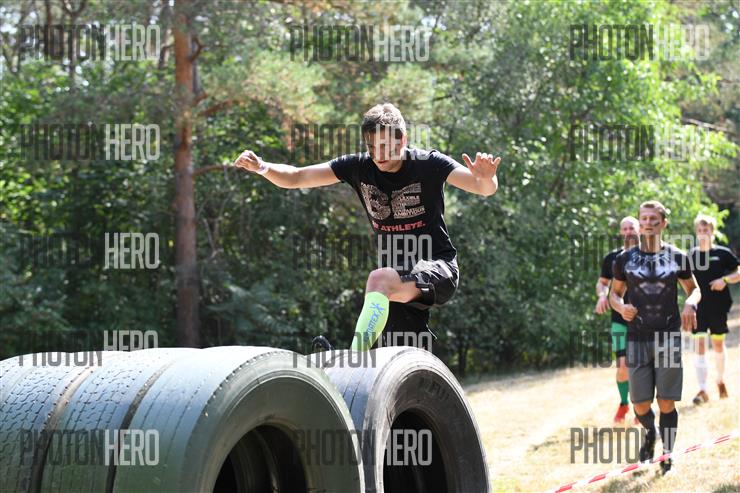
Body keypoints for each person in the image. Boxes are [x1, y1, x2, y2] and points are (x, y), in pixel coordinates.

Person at [233, 103, 501, 350]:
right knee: (398, 353)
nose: (378, 155)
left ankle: (354, 357)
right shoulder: (358, 167)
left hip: (438, 269)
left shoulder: (429, 163)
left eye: (385, 146)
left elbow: (482, 188)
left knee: (378, 280)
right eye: (372, 147)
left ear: (402, 140)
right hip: (396, 284)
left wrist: (486, 178)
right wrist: (262, 167)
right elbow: (297, 177)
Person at [609, 200, 701, 475]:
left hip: (668, 336)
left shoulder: (677, 256)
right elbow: (614, 294)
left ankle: (667, 455)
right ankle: (651, 432)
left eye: (653, 219)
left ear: (663, 223)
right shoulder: (624, 259)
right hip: (636, 338)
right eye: (644, 218)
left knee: (666, 401)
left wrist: (690, 303)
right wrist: (620, 307)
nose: (648, 223)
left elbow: (694, 289)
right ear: (639, 223)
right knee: (639, 404)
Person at [689, 214, 740, 404]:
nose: (703, 233)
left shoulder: (722, 253)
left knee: (718, 345)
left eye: (706, 230)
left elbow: (738, 271)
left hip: (718, 307)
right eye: (700, 230)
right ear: (696, 232)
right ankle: (702, 389)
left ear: (712, 231)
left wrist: (724, 280)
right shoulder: (691, 255)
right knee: (700, 346)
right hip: (698, 308)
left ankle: (720, 380)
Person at [594, 216, 639, 423]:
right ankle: (624, 403)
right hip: (619, 318)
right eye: (625, 229)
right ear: (621, 232)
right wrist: (602, 296)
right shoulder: (612, 258)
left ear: (639, 230)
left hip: (643, 318)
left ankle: (642, 407)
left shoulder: (647, 256)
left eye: (632, 228)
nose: (628, 231)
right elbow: (602, 283)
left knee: (641, 365)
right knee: (623, 365)